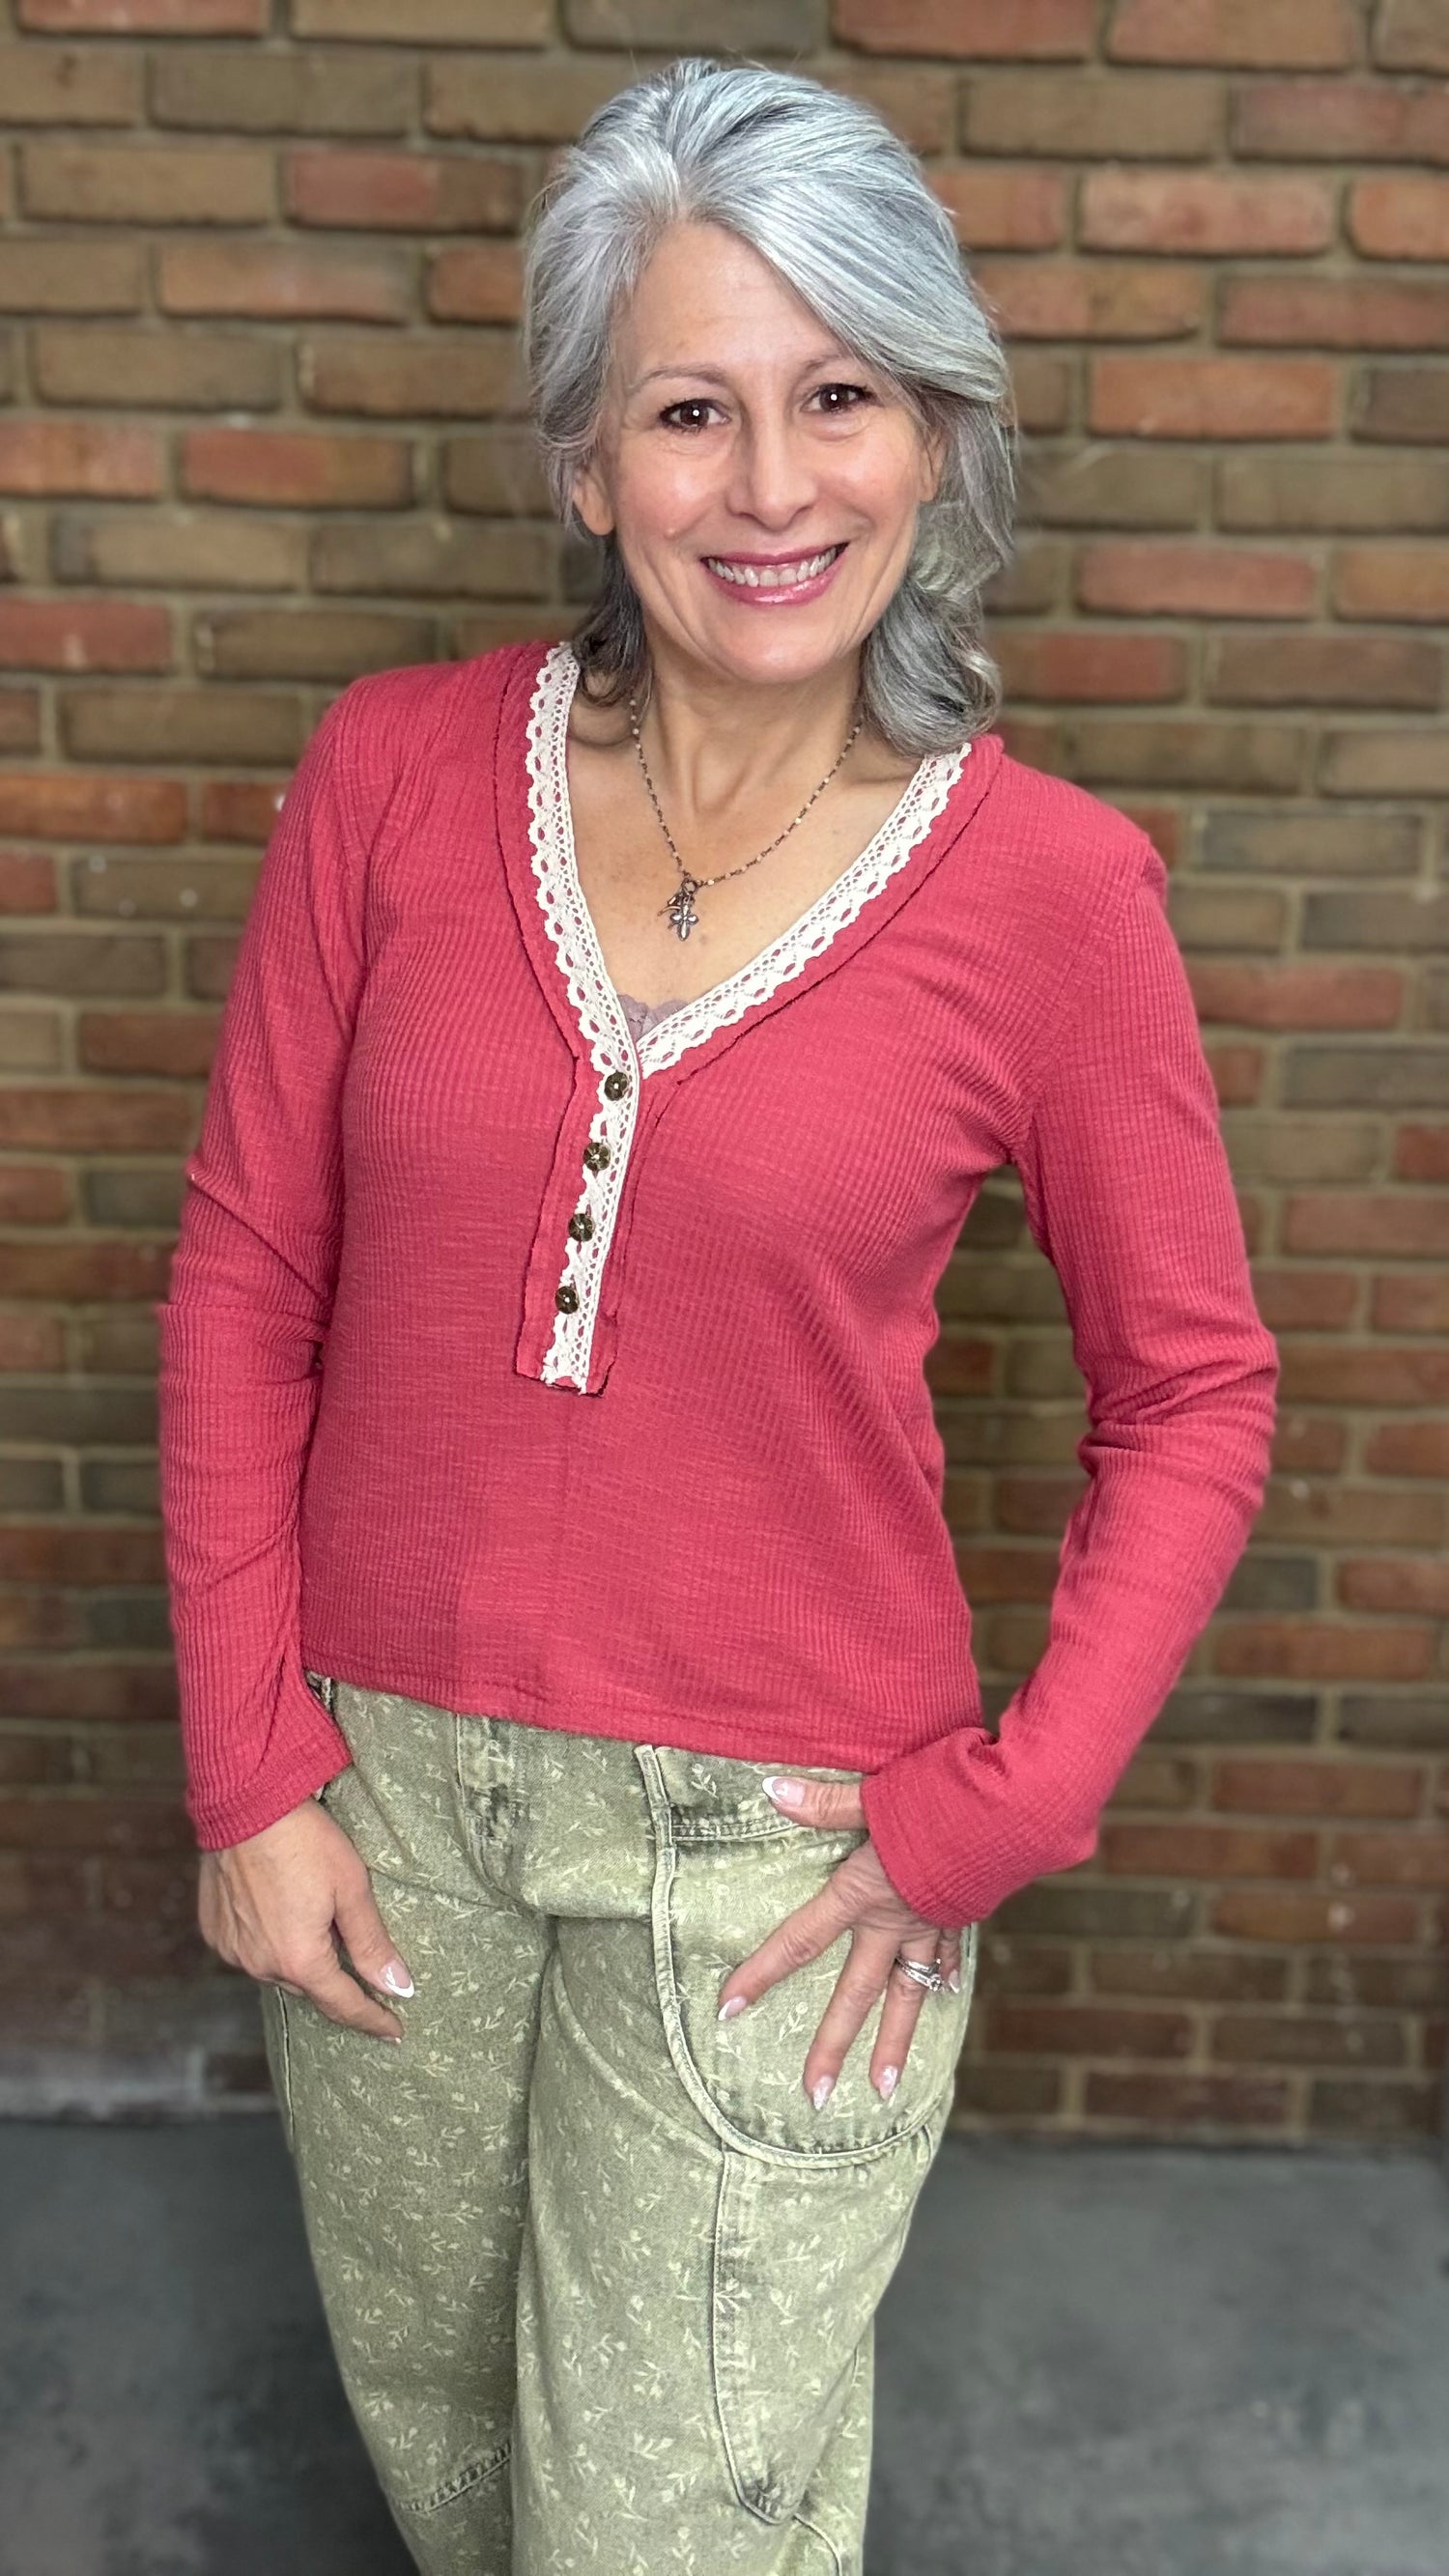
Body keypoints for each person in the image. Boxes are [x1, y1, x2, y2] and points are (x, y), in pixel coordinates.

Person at [156, 55, 1279, 2576]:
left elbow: (1191, 1392)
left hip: (766, 1858)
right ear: (583, 463)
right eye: (690, 409)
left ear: (930, 436)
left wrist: (986, 1813)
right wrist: (250, 1769)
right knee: (451, 2461)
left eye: (837, 395)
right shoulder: (387, 777)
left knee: (658, 2530)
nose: (771, 487)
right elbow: (246, 1274)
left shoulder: (1052, 898)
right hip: (382, 1805)